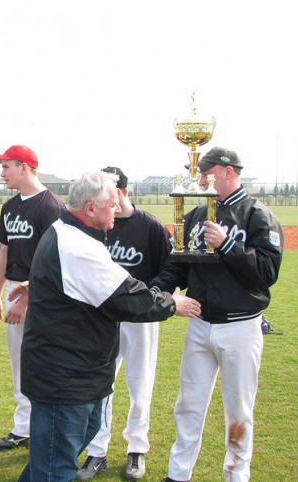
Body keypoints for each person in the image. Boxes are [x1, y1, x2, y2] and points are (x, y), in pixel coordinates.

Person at [16, 171, 200, 481]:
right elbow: (126, 298)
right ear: (90, 208)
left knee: (53, 458)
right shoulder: (78, 246)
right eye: (111, 205)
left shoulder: (73, 234)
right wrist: (172, 303)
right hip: (65, 378)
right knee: (55, 468)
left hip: (79, 371)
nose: (117, 210)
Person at [150, 147, 283, 482]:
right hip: (199, 323)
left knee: (238, 411)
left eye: (207, 171)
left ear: (228, 171)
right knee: (188, 405)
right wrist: (157, 291)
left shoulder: (256, 214)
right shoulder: (196, 215)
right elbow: (178, 265)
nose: (201, 177)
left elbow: (266, 272)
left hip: (240, 326)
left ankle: (237, 476)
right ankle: (178, 474)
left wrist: (227, 245)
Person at [77, 166, 173, 480]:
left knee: (140, 384)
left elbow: (171, 273)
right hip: (103, 318)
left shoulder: (151, 227)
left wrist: (150, 300)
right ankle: (97, 451)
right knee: (101, 384)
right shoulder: (97, 223)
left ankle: (136, 450)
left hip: (140, 319)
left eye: (105, 188)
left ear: (119, 190)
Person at [0, 144, 64, 450]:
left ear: (25, 167)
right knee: (19, 362)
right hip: (15, 289)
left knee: (45, 364)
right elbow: (2, 254)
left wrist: (28, 298)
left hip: (43, 295)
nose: (2, 172)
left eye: (6, 166)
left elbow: (55, 259)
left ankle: (49, 431)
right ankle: (23, 428)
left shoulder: (50, 206)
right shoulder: (9, 208)